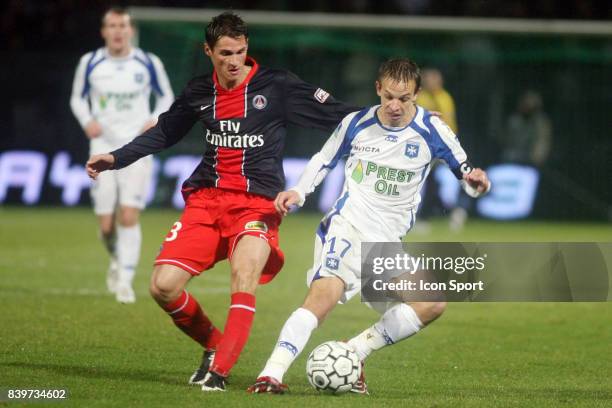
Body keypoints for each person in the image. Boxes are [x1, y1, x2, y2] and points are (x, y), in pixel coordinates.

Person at [85, 11, 359, 392]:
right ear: (208, 51)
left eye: (241, 52)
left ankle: (220, 374)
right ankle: (215, 347)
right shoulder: (200, 92)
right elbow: (165, 132)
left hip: (258, 205)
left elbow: (341, 115)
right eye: (226, 53)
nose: (234, 61)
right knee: (163, 286)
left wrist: (397, 121)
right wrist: (116, 158)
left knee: (243, 275)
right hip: (207, 202)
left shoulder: (276, 86)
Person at [248, 58, 490, 394]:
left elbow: (466, 175)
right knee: (323, 297)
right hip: (348, 228)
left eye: (403, 99)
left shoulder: (434, 130)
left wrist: (476, 183)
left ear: (417, 95)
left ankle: (354, 352)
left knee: (432, 303)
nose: (394, 105)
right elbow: (323, 160)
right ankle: (270, 374)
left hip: (386, 244)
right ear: (378, 89)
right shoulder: (356, 123)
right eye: (389, 96)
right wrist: (298, 191)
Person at [70, 7, 174, 304]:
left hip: (138, 147)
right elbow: (77, 97)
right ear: (104, 31)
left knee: (128, 215)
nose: (117, 31)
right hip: (101, 146)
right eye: (112, 25)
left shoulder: (148, 62)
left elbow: (166, 96)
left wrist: (154, 117)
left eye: (123, 26)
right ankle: (117, 258)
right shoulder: (90, 62)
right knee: (106, 226)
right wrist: (87, 120)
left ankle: (125, 280)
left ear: (131, 30)